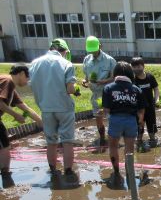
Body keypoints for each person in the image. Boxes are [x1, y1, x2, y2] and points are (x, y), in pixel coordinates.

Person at [29, 38, 78, 180]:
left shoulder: (34, 64)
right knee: (67, 141)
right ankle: (68, 171)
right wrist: (76, 89)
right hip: (64, 107)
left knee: (51, 142)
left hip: (45, 107)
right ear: (63, 51)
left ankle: (53, 170)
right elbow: (70, 89)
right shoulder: (66, 63)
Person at [102, 62, 146, 184]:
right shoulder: (136, 89)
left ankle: (116, 171)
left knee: (113, 146)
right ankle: (129, 172)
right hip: (131, 121)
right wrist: (141, 122)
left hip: (115, 119)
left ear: (115, 73)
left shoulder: (108, 88)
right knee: (129, 149)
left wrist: (107, 116)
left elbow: (106, 110)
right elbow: (141, 110)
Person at [0, 65, 42, 188]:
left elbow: (25, 108)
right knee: (4, 147)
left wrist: (40, 121)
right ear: (22, 74)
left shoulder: (11, 88)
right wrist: (16, 115)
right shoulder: (8, 81)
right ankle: (6, 175)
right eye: (28, 79)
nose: (27, 82)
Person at [82, 35, 116, 146]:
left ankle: (113, 138)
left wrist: (103, 81)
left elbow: (114, 77)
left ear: (100, 46)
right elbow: (86, 77)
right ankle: (102, 138)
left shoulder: (110, 60)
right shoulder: (87, 59)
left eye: (94, 50)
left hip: (108, 94)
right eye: (91, 51)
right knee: (98, 116)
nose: (93, 52)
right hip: (95, 94)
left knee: (111, 117)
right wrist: (85, 81)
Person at [131, 57, 159, 148]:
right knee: (139, 125)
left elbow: (156, 88)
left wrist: (157, 98)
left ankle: (152, 140)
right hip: (138, 108)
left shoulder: (150, 77)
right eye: (134, 67)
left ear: (143, 66)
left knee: (152, 124)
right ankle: (139, 142)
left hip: (150, 106)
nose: (136, 69)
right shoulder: (133, 80)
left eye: (138, 66)